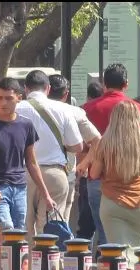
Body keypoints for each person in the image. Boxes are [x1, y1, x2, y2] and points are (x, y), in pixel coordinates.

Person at [86, 100, 140, 270]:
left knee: (117, 248)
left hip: (112, 201)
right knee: (134, 249)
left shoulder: (105, 143)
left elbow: (94, 173)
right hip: (139, 201)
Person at [81, 64, 140, 257]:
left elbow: (82, 146)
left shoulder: (88, 109)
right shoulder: (137, 109)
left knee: (106, 241)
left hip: (101, 182)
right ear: (126, 84)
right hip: (134, 185)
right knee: (132, 250)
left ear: (104, 84)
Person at [0, 77, 56, 231]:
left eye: (8, 98)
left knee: (19, 233)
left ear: (19, 98)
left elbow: (32, 163)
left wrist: (46, 195)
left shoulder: (26, 125)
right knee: (5, 228)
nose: (3, 103)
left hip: (20, 187)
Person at [16, 70, 82, 239]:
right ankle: (47, 256)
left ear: (26, 89)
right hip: (54, 173)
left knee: (24, 227)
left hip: (22, 173)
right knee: (49, 230)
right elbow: (77, 146)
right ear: (48, 88)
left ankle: (27, 256)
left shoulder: (16, 108)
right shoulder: (63, 109)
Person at [47, 74, 101, 229]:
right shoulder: (74, 112)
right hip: (66, 172)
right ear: (66, 94)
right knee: (61, 220)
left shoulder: (29, 109)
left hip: (34, 172)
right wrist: (85, 163)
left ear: (47, 90)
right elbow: (97, 140)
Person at [75, 80, 105, 243]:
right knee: (105, 227)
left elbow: (80, 147)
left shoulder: (83, 111)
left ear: (88, 96)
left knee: (86, 225)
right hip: (112, 176)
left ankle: (83, 255)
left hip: (88, 174)